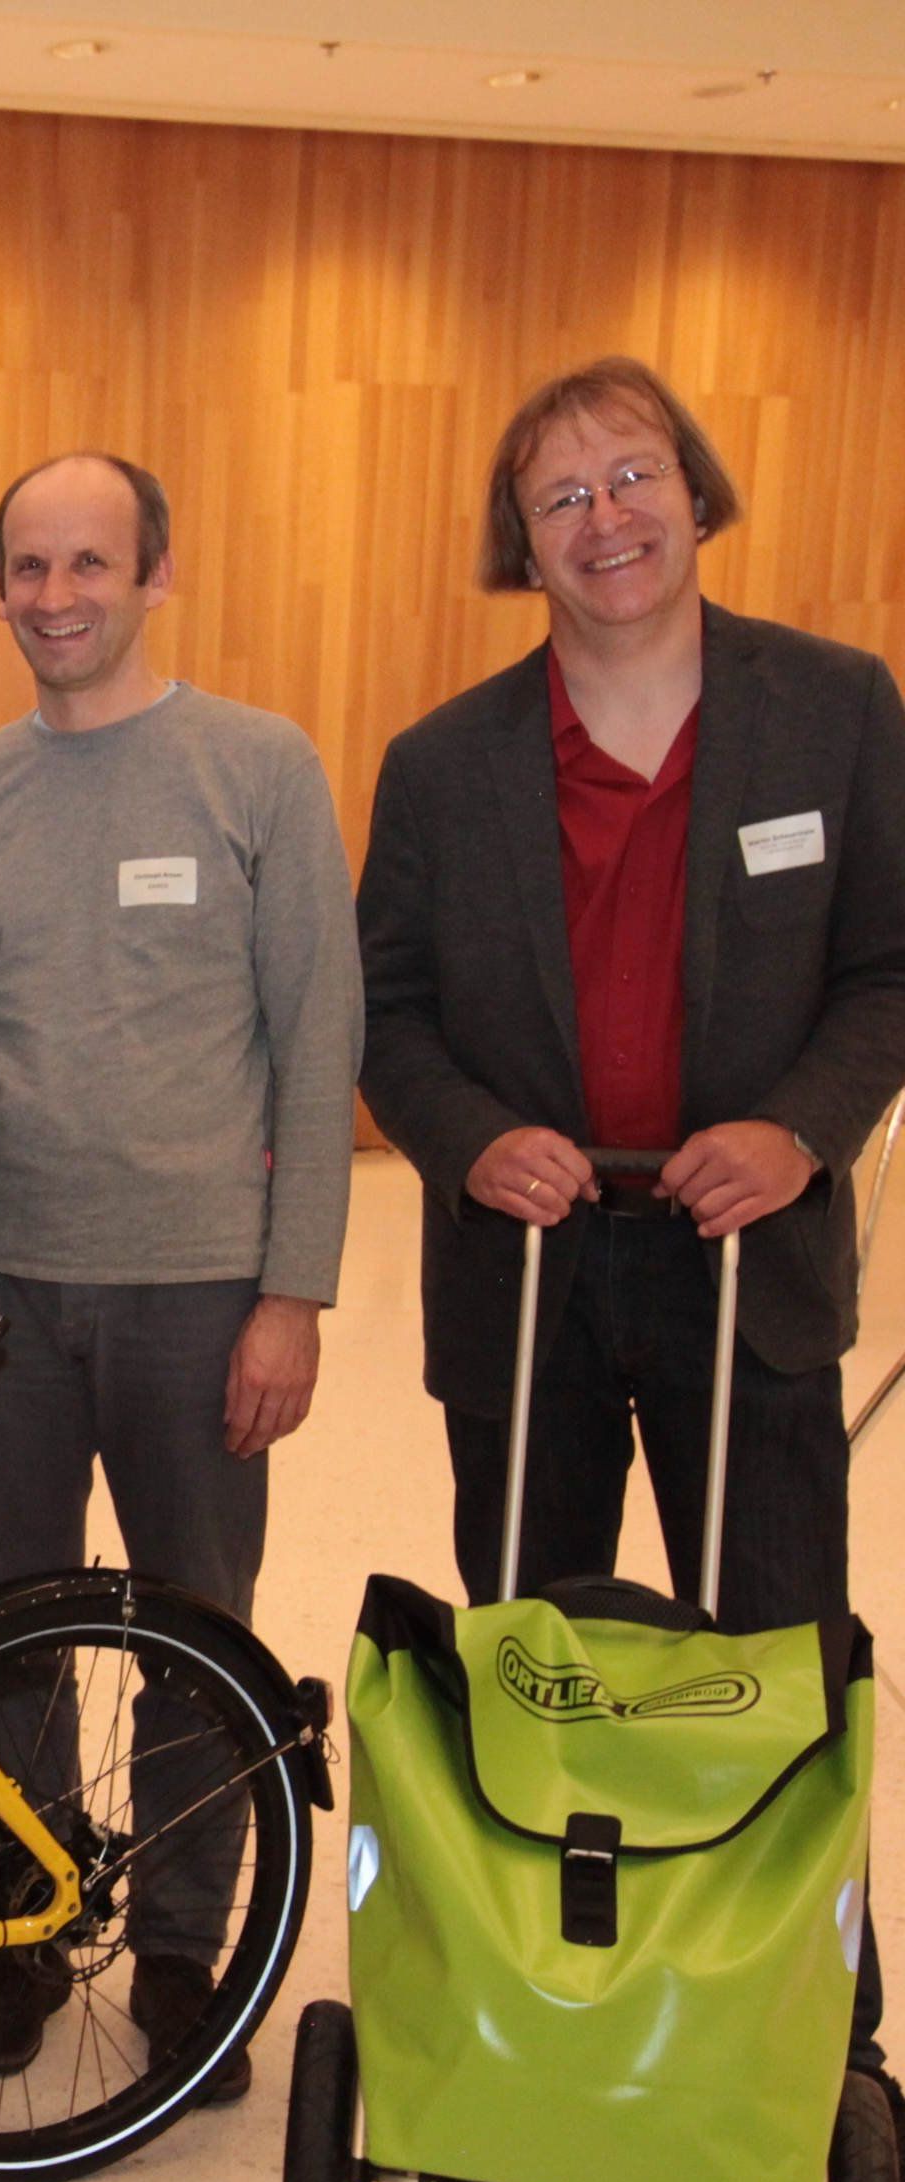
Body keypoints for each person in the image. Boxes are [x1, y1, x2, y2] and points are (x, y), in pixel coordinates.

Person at [356, 355, 905, 2079]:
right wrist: (467, 1138)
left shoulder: (835, 707)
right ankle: (547, 1996)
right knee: (535, 1646)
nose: (606, 520)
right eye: (561, 498)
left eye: (633, 477)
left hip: (750, 1258)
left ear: (695, 491)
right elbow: (387, 1012)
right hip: (524, 1269)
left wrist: (804, 1130)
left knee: (772, 1646)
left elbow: (890, 967)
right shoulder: (443, 763)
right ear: (518, 544)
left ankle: (800, 2019)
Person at [0, 452, 361, 2103]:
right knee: (6, 1633)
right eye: (27, 567)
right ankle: (26, 1919)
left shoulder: (257, 768)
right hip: (5, 1303)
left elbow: (321, 1035)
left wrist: (294, 1292)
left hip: (200, 1295)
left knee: (197, 1631)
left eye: (88, 564)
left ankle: (180, 1950)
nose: (56, 598)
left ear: (155, 573)